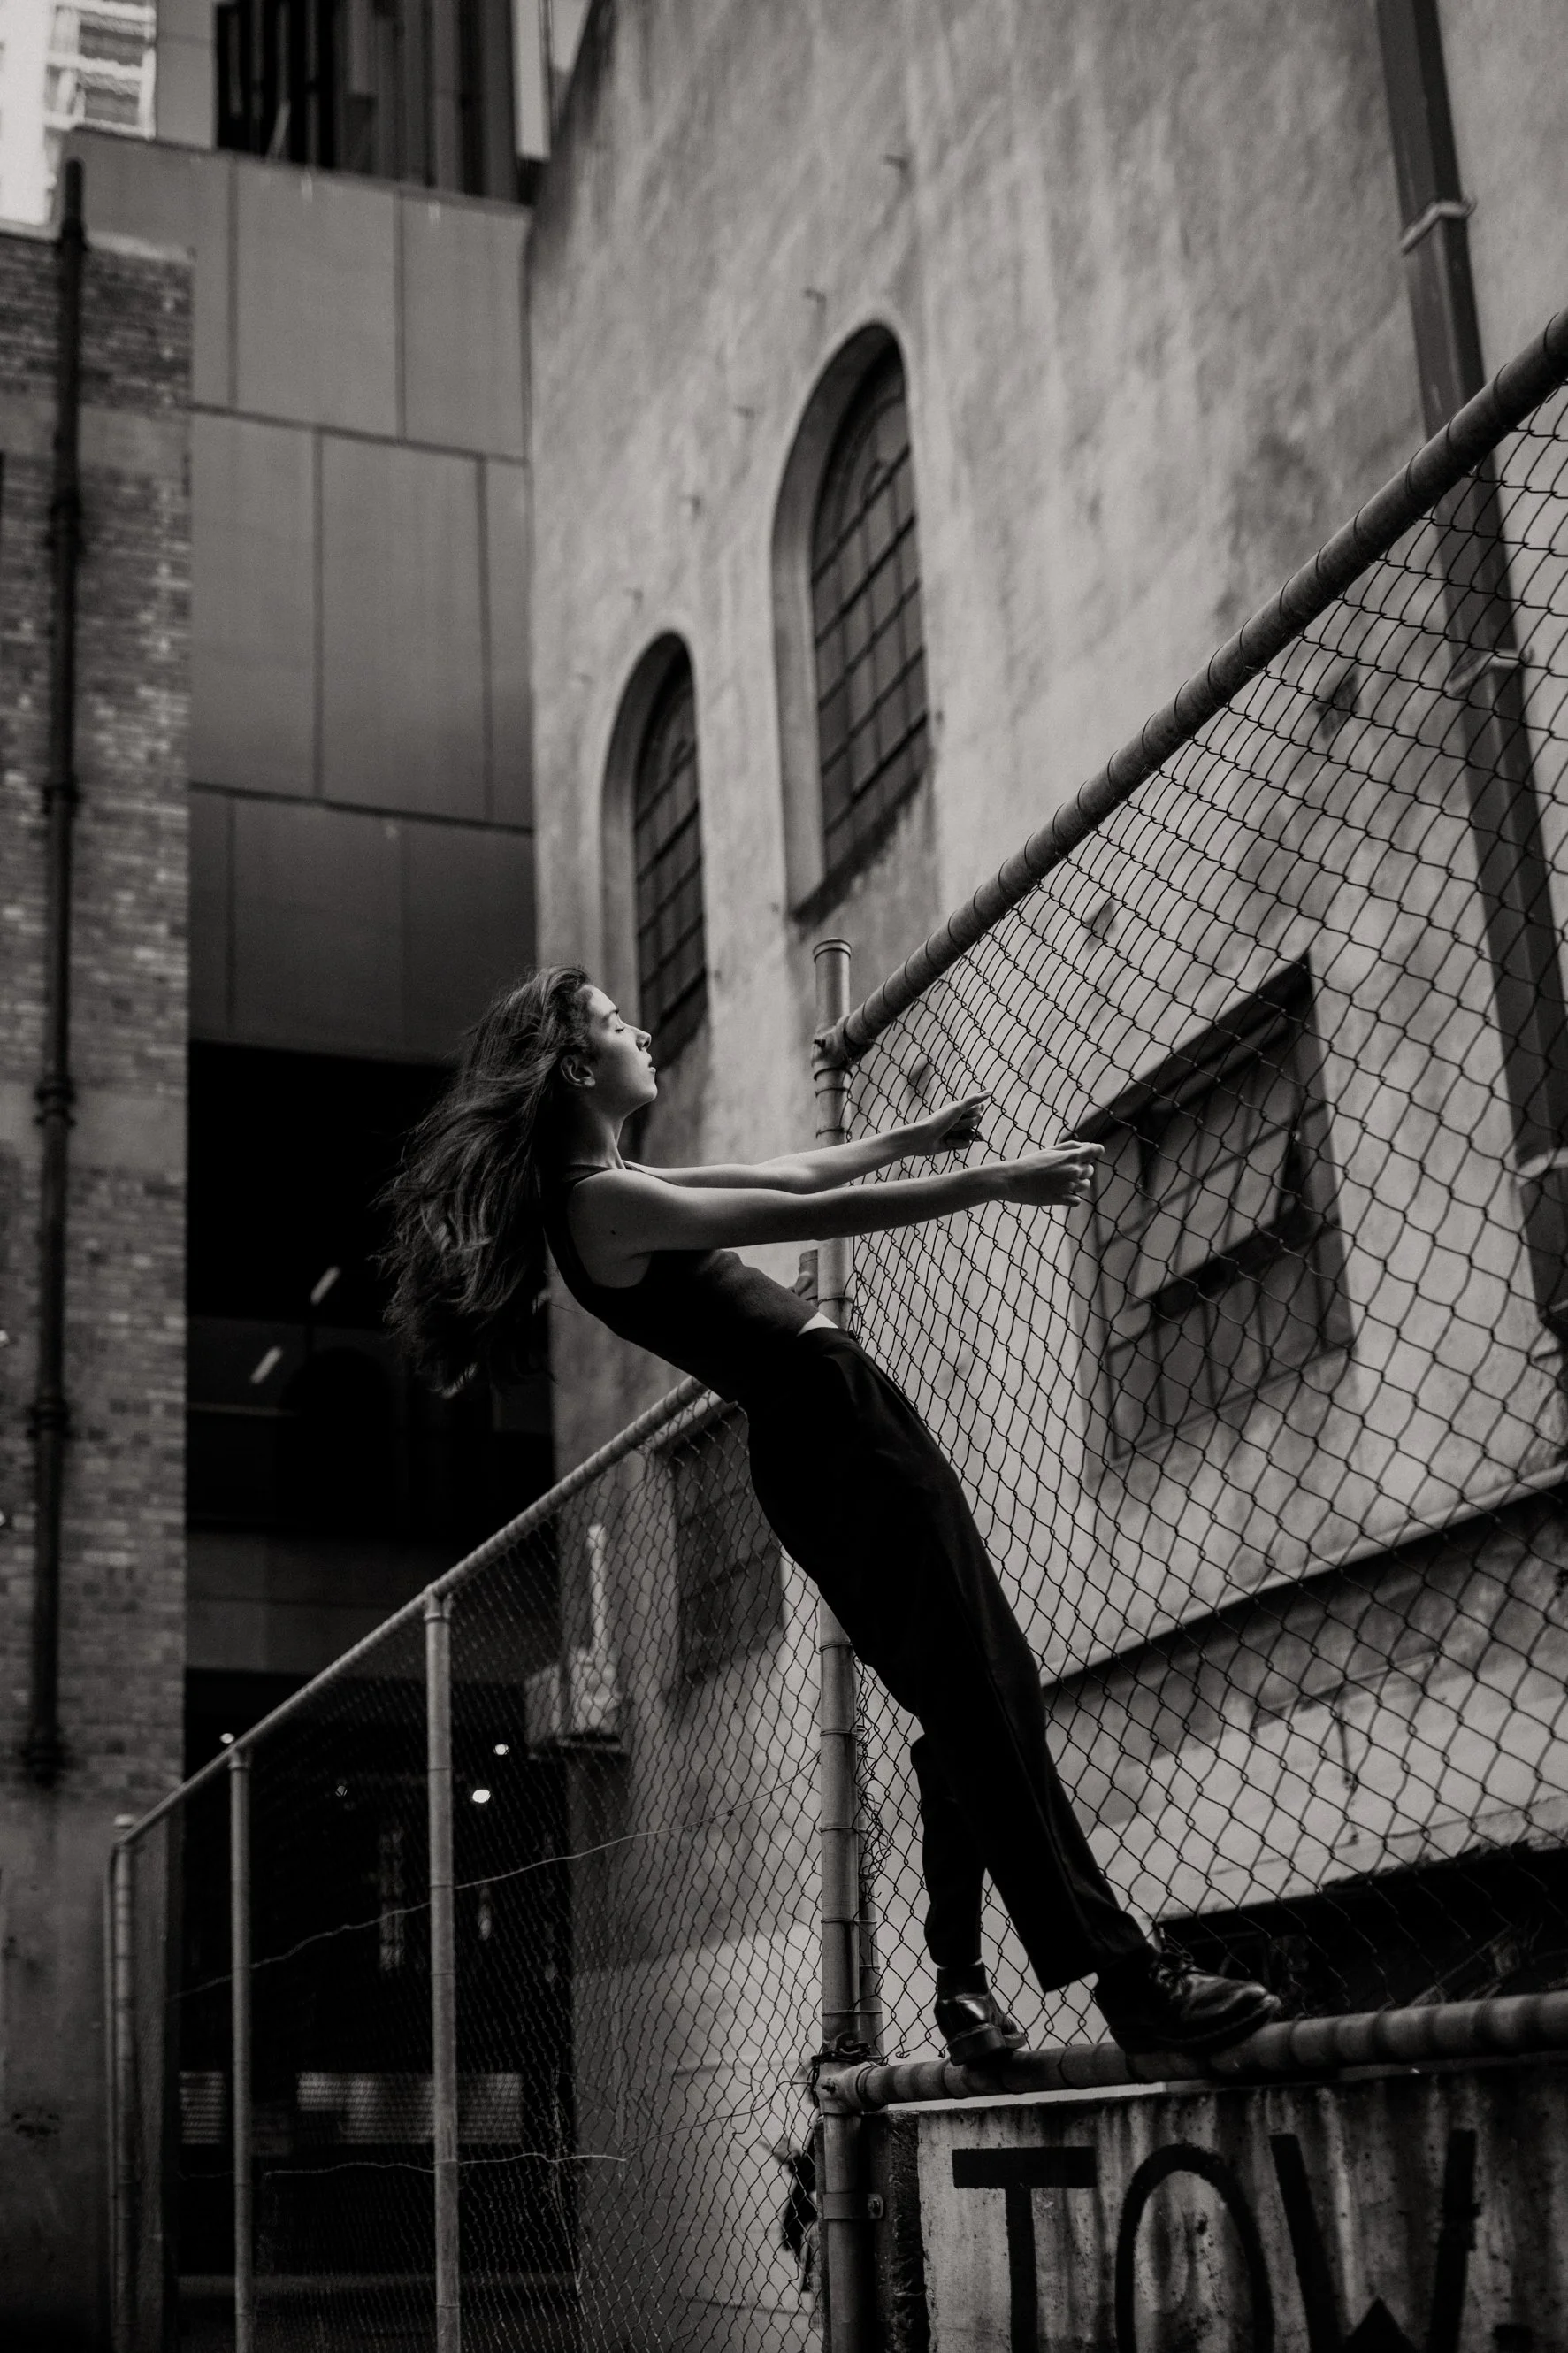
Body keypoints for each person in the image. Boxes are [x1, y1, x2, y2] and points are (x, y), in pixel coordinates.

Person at [384, 968, 1281, 2060]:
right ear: (577, 1065)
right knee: (984, 1693)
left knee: (980, 1690)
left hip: (835, 1424)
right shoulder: (598, 1201)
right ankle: (1130, 1980)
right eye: (619, 1025)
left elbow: (788, 1168)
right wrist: (990, 1180)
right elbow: (806, 1208)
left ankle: (961, 1984)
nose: (645, 1031)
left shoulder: (611, 1183)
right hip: (832, 1430)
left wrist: (916, 1138)